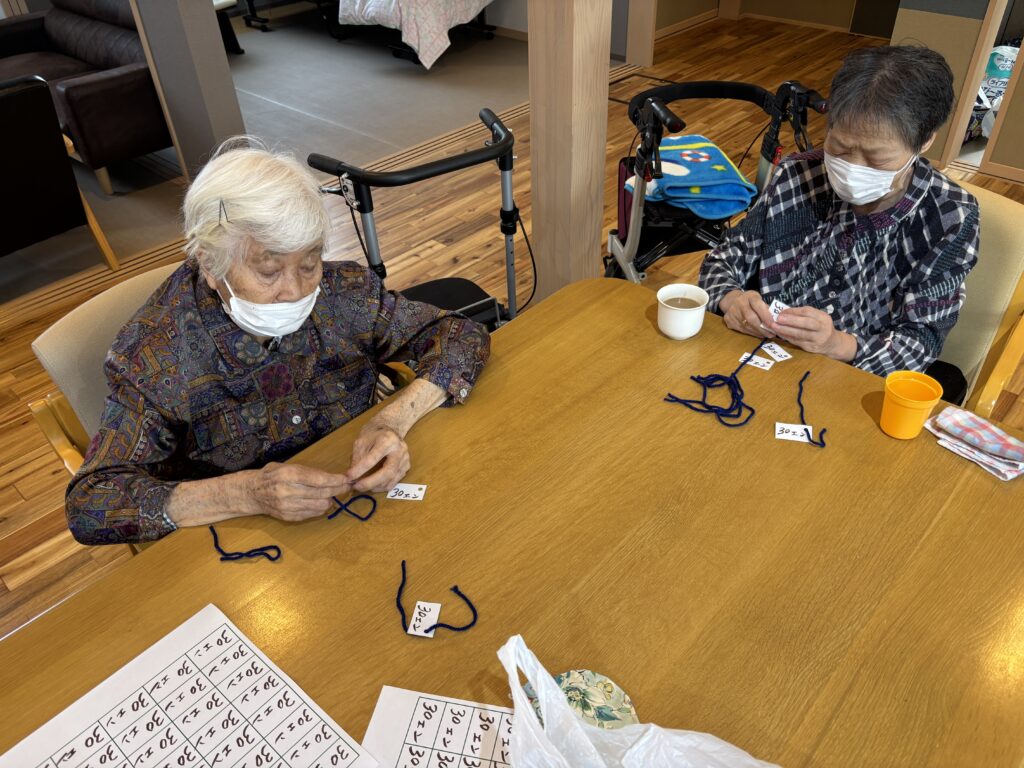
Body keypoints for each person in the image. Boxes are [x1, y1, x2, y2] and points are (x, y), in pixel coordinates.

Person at [66, 138, 490, 545]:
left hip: (361, 499)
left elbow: (459, 334)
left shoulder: (344, 291)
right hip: (246, 537)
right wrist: (246, 493)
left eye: (309, 263)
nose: (295, 291)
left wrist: (393, 420)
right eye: (268, 272)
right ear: (211, 266)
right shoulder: (156, 354)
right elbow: (92, 504)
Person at [699, 45, 979, 379]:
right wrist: (731, 299)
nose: (853, 167)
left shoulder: (949, 216)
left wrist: (838, 345)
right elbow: (722, 260)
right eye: (840, 148)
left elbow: (921, 343)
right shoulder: (797, 175)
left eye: (876, 158)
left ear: (924, 142)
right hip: (758, 358)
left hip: (851, 380)